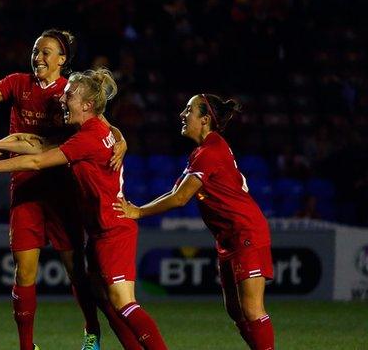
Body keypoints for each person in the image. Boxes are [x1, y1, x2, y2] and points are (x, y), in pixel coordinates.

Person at [0, 68, 168, 350]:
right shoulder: (93, 130)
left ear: (86, 105)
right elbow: (40, 144)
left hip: (112, 229)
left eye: (69, 95)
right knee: (105, 299)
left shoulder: (88, 137)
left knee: (123, 302)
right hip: (100, 228)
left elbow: (37, 161)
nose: (62, 99)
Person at [0, 29, 127, 350]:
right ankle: (27, 345)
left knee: (75, 270)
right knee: (24, 272)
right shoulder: (16, 83)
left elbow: (104, 125)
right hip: (24, 190)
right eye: (36, 50)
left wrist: (123, 140)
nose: (38, 57)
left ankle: (91, 332)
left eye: (47, 52)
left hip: (63, 192)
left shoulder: (71, 92)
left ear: (62, 60)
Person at [113, 94, 275, 350]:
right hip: (229, 237)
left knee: (252, 310)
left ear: (205, 119)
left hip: (246, 232)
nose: (182, 115)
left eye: (189, 110)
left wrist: (138, 212)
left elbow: (180, 198)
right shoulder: (203, 151)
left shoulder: (210, 151)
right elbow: (175, 191)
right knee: (235, 311)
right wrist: (137, 208)